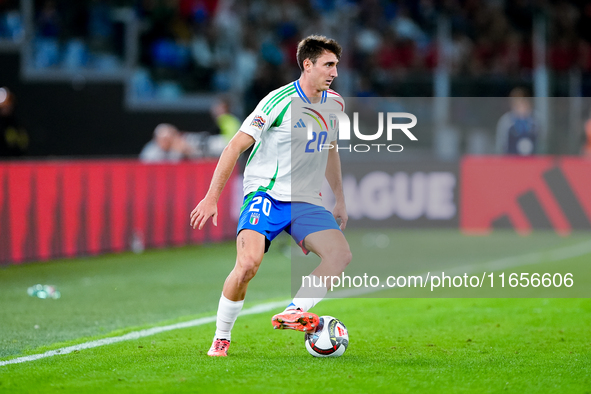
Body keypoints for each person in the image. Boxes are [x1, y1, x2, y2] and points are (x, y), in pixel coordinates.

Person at [190, 35, 352, 357]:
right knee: (248, 265)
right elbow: (234, 146)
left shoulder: (335, 103)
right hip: (266, 193)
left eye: (336, 64)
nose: (334, 71)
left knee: (339, 255)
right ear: (307, 64)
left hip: (305, 199)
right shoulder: (276, 102)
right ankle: (222, 336)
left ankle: (295, 310)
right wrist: (212, 197)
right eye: (328, 64)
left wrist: (340, 198)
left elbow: (330, 148)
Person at [496, 87, 543, 156]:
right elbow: (501, 146)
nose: (521, 106)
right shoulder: (506, 121)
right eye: (517, 104)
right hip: (511, 162)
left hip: (533, 162)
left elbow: (543, 144)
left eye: (523, 102)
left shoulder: (537, 121)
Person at [0, 87, 29, 157]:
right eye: (3, 106)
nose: (7, 107)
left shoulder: (16, 124)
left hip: (13, 161)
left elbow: (22, 145)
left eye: (8, 104)